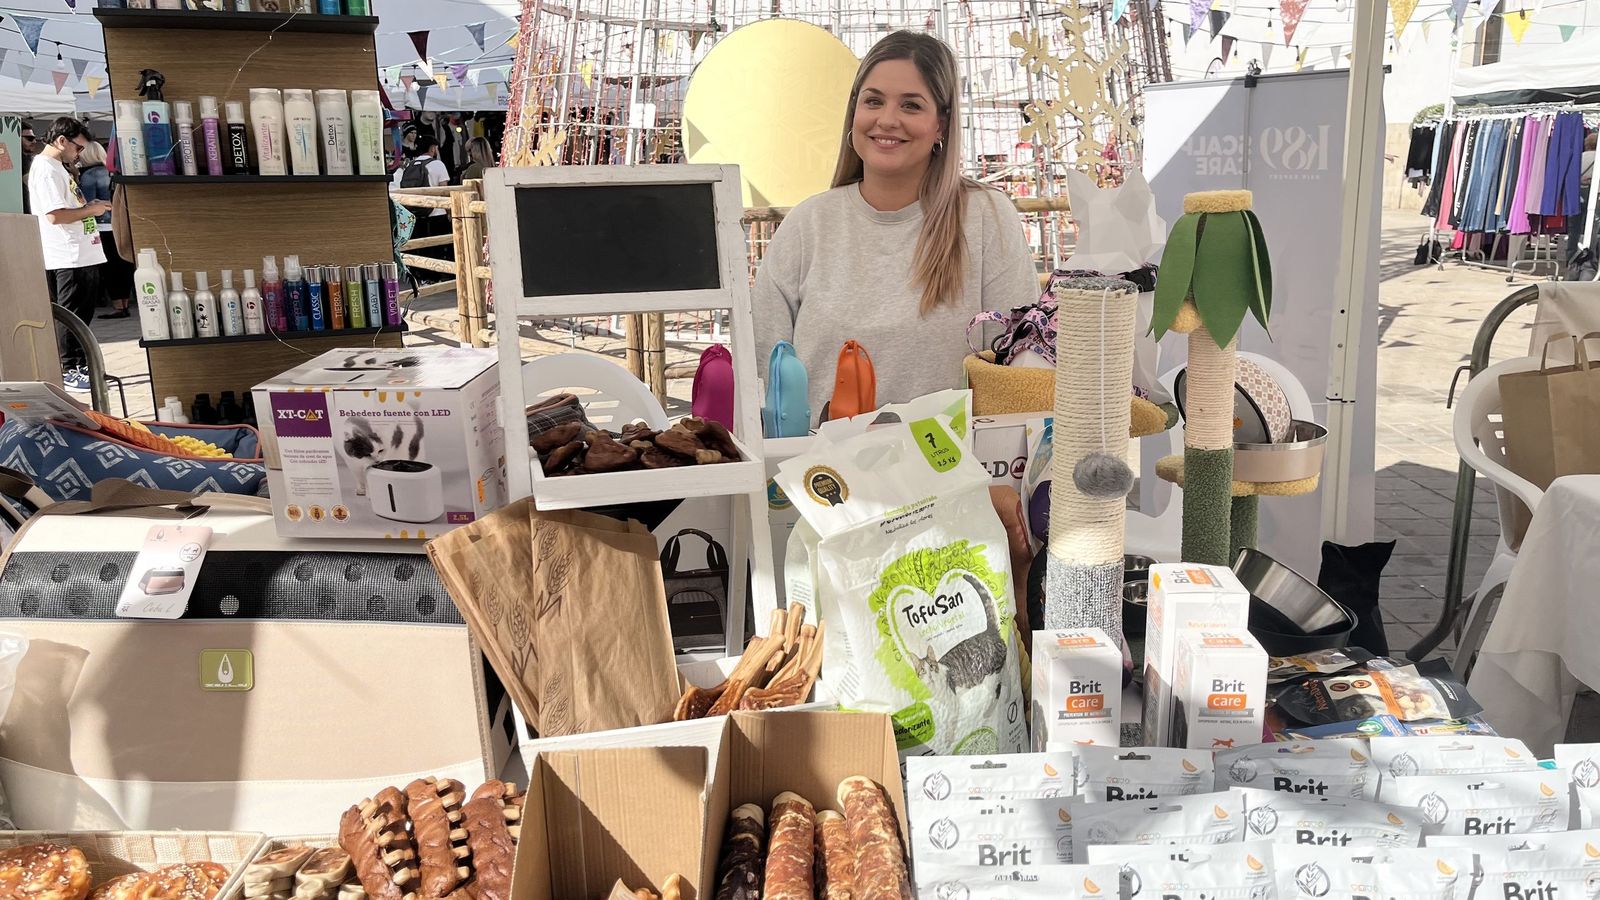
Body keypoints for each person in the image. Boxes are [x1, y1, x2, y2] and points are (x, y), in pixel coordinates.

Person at [752, 31, 1038, 422]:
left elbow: (1014, 365)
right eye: (873, 101)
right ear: (854, 112)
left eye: (911, 105)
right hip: (819, 476)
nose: (887, 120)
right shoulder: (808, 224)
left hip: (947, 475)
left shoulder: (986, 217)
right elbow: (762, 372)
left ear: (942, 124)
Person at [27, 117, 109, 393]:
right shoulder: (46, 169)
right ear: (62, 141)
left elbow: (67, 208)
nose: (80, 154)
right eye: (78, 148)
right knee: (71, 313)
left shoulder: (57, 167)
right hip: (66, 253)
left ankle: (79, 364)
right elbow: (54, 216)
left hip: (81, 250)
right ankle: (70, 367)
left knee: (82, 313)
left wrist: (89, 207)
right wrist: (91, 210)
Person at [77, 140, 131, 319]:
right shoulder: (111, 173)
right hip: (118, 223)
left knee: (109, 268)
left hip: (101, 226)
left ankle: (117, 306)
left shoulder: (88, 175)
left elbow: (86, 203)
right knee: (121, 264)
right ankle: (124, 303)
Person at [19, 123, 39, 215]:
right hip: (23, 210)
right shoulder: (21, 158)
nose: (34, 141)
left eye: (34, 138)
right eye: (29, 138)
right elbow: (30, 181)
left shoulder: (28, 158)